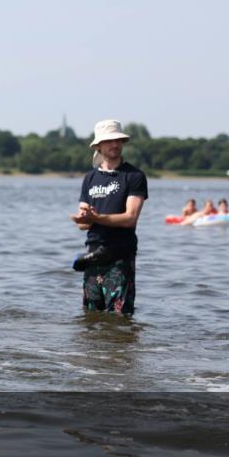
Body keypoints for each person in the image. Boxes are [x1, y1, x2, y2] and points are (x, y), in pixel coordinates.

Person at [71, 120, 148, 316]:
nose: (114, 145)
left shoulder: (134, 176)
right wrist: (83, 220)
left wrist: (96, 218)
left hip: (120, 255)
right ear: (98, 146)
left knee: (121, 318)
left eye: (118, 141)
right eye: (109, 141)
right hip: (93, 254)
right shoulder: (90, 178)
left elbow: (130, 218)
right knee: (90, 318)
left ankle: (121, 348)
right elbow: (85, 224)